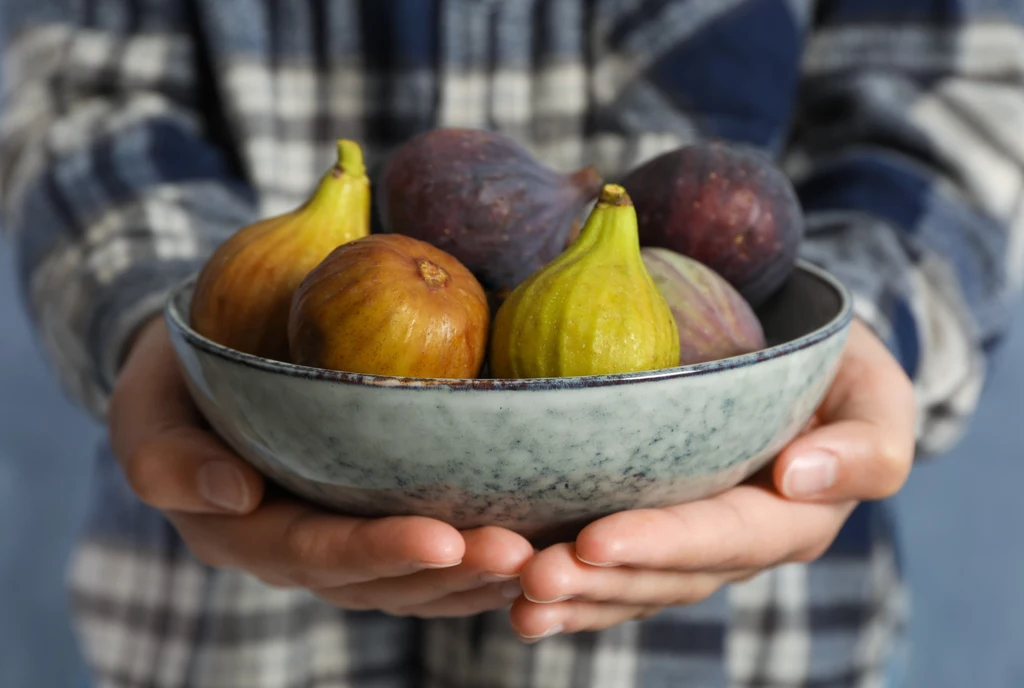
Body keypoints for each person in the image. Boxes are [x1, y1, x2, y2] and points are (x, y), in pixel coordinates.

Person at [1, 1, 1021, 686]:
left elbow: (955, 85)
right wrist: (156, 327)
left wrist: (853, 341)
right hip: (231, 619)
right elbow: (81, 85)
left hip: (742, 644)